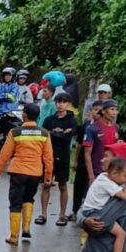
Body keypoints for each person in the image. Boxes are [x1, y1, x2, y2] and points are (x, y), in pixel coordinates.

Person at [0, 101, 53, 245]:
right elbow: (48, 157)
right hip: (35, 173)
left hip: (18, 171)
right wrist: (48, 176)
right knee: (28, 199)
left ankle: (14, 237)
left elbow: (5, 153)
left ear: (24, 115)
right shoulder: (44, 134)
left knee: (15, 203)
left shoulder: (15, 132)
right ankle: (26, 228)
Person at [79, 153, 126, 252]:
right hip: (95, 214)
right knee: (121, 234)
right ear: (114, 173)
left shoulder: (102, 177)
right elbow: (125, 196)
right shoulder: (110, 184)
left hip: (90, 211)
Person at [37, 91, 76, 226]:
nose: (61, 105)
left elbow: (67, 138)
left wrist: (52, 134)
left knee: (63, 185)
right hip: (49, 155)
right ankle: (43, 213)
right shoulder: (50, 119)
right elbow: (43, 136)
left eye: (64, 102)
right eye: (59, 102)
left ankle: (62, 214)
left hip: (63, 155)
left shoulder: (71, 119)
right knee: (46, 184)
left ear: (68, 104)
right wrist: (58, 134)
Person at [71, 100, 106, 219]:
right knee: (79, 186)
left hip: (96, 161)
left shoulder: (105, 127)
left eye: (100, 110)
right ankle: (75, 211)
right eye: (95, 110)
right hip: (83, 161)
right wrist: (76, 160)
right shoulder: (86, 125)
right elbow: (80, 144)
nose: (98, 113)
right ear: (91, 111)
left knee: (92, 188)